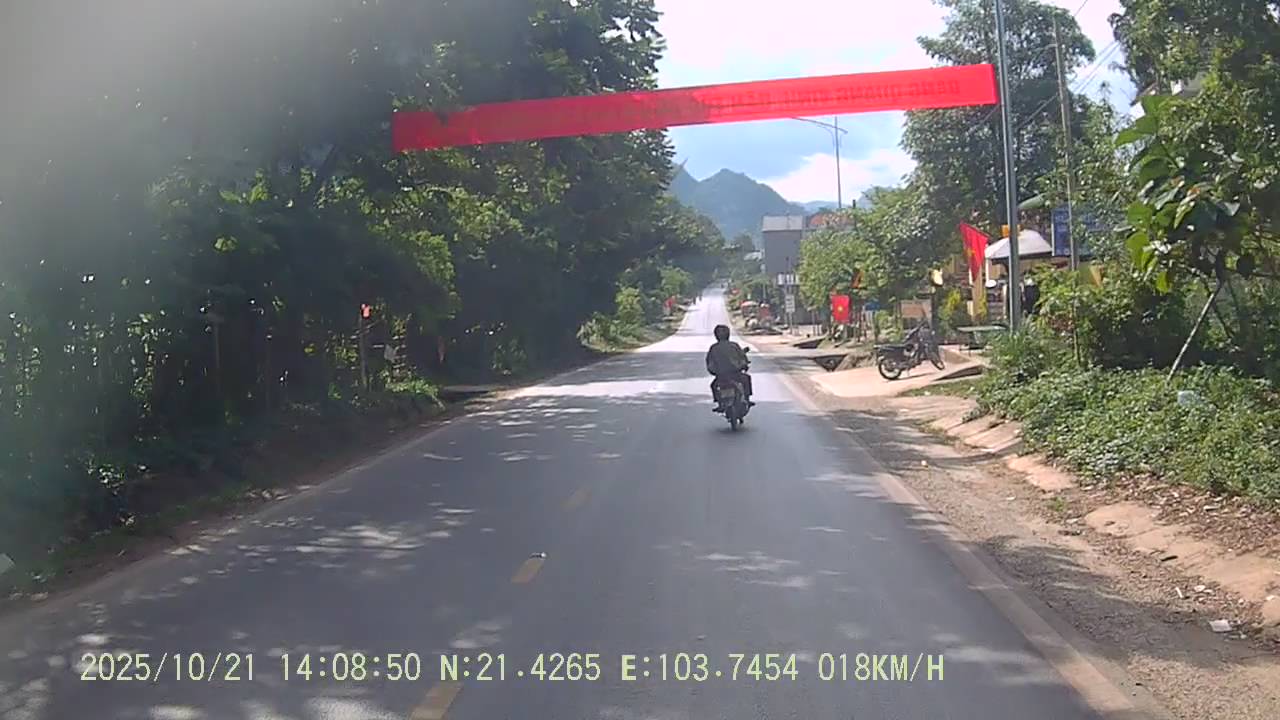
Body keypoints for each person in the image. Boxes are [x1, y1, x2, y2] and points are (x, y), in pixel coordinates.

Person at [705, 324, 753, 409]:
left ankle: (719, 403)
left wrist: (714, 371)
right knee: (746, 379)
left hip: (721, 376)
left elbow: (709, 362)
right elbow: (742, 357)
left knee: (713, 385)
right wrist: (744, 365)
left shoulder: (713, 348)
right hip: (735, 374)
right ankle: (747, 399)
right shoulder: (734, 345)